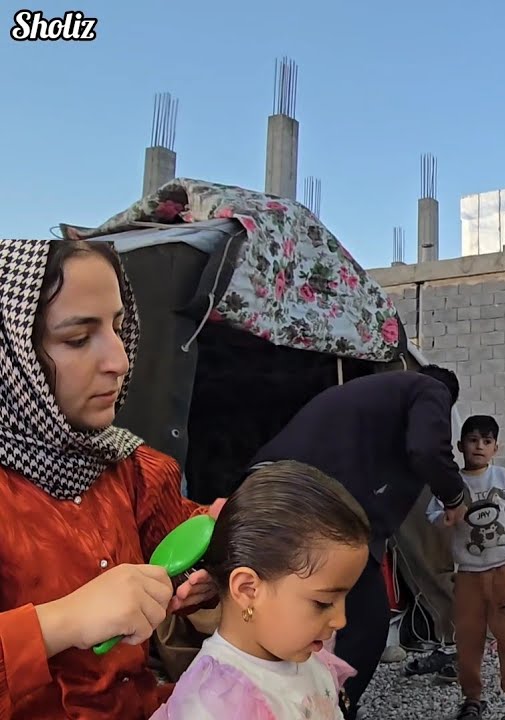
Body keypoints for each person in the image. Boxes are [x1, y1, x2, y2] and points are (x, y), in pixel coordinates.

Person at [0, 239, 220, 718]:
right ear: (10, 354)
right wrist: (61, 621)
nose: (119, 361)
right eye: (78, 339)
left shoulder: (131, 469)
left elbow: (182, 543)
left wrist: (210, 569)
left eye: (120, 328)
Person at [249, 366, 469, 718]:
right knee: (367, 623)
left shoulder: (372, 398)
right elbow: (427, 450)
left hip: (269, 489)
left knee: (284, 612)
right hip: (310, 500)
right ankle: (334, 709)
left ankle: (275, 704)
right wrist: (455, 497)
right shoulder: (430, 388)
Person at [152, 461, 370, 718]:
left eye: (344, 597)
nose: (340, 620)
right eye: (323, 603)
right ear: (247, 590)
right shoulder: (219, 703)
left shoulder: (298, 644)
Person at [426, 415, 505, 720]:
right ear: (461, 446)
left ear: (496, 448)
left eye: (486, 442)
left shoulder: (501, 478)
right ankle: (472, 699)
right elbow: (432, 513)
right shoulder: (451, 483)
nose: (479, 447)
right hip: (469, 574)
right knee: (469, 640)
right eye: (473, 440)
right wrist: (445, 519)